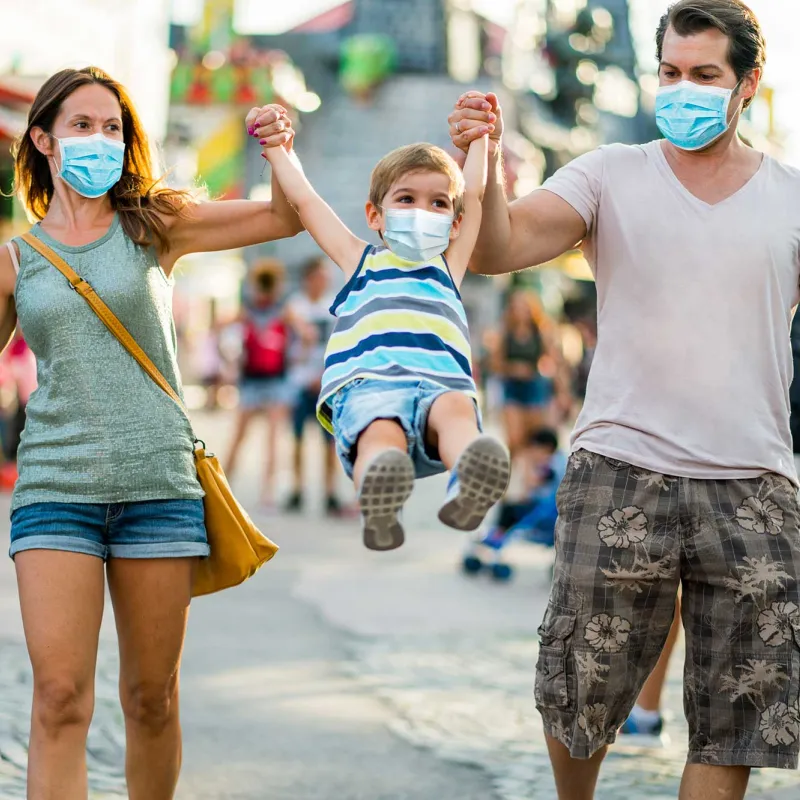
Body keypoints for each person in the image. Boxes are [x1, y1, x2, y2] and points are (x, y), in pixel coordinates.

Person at [448, 2, 800, 798]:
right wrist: (483, 161)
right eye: (670, 73)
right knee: (579, 691)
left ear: (748, 82)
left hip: (755, 489)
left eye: (704, 75)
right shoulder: (609, 173)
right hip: (620, 472)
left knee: (735, 722)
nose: (683, 90)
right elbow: (502, 247)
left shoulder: (790, 197)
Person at [0, 66, 302, 799]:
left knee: (152, 698)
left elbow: (283, 219)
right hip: (53, 490)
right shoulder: (16, 259)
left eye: (113, 128)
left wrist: (282, 149)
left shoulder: (153, 224)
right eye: (82, 126)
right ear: (42, 139)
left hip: (158, 490)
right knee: (60, 697)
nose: (101, 140)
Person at [262, 131, 511, 551]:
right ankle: (379, 503)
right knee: (379, 434)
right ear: (374, 215)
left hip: (440, 381)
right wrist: (277, 150)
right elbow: (305, 201)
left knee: (456, 414)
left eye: (439, 203)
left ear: (455, 222)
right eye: (406, 199)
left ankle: (470, 479)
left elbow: (478, 189)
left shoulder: (449, 266)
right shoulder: (358, 259)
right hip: (370, 383)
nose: (422, 212)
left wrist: (482, 138)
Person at [224, 258, 304, 510]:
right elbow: (308, 335)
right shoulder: (263, 309)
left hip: (270, 378)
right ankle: (232, 485)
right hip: (258, 378)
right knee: (247, 436)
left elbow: (306, 335)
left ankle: (254, 489)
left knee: (262, 437)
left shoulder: (273, 310)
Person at [284, 255, 344, 516]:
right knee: (297, 438)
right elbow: (288, 339)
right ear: (309, 278)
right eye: (321, 274)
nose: (326, 280)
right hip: (299, 380)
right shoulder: (295, 305)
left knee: (329, 440)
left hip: (326, 382)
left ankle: (330, 492)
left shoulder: (334, 304)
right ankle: (297, 488)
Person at [464, 428, 566, 580]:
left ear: (546, 448)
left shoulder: (553, 464)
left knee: (512, 510)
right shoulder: (556, 462)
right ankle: (495, 536)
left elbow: (533, 483)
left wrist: (526, 464)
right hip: (541, 506)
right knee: (509, 507)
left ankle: (497, 537)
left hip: (545, 511)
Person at [495, 290, 556, 457]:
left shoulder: (540, 333)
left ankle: (526, 479)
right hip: (512, 387)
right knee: (514, 439)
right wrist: (513, 368)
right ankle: (509, 477)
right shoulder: (506, 333)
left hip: (534, 386)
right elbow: (495, 363)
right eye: (517, 307)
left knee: (531, 438)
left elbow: (552, 359)